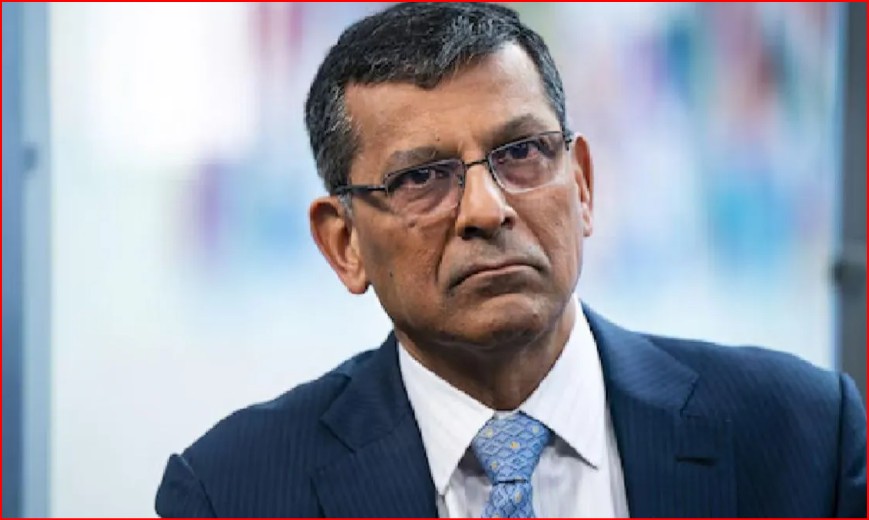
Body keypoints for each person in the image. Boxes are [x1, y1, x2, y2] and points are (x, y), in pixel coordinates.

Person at [155, 3, 866, 517]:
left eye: (521, 153)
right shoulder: (234, 492)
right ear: (344, 244)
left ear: (581, 185)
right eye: (421, 177)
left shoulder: (801, 435)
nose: (485, 209)